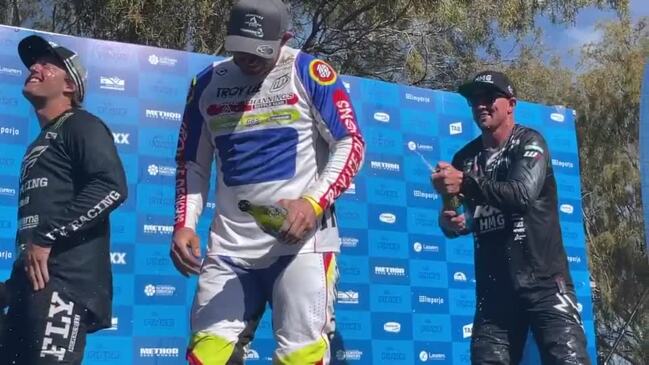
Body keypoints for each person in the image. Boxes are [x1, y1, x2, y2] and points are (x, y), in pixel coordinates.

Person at [170, 0, 365, 363]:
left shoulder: (309, 71)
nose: (248, 61)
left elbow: (350, 142)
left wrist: (313, 202)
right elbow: (191, 164)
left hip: (302, 246)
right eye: (240, 50)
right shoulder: (207, 83)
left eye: (259, 52)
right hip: (229, 248)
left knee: (300, 357)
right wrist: (184, 224)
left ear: (286, 38)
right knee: (207, 356)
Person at [431, 71, 591, 364]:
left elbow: (521, 195)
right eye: (474, 99)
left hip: (545, 285)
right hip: (495, 295)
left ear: (511, 104)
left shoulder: (530, 142)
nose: (480, 104)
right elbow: (463, 221)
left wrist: (464, 183)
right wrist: (448, 220)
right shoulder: (464, 159)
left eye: (489, 97)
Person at [0, 35, 128, 365]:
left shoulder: (81, 125)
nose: (34, 68)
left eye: (47, 64)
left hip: (66, 286)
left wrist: (45, 238)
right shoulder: (37, 144)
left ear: (70, 85)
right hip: (29, 286)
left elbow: (111, 187)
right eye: (33, 63)